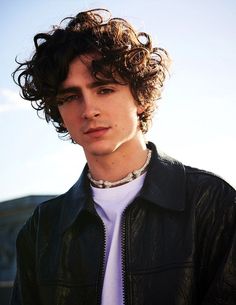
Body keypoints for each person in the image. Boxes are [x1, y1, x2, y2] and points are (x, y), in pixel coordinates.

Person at [11, 8, 236, 305]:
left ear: (140, 99)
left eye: (104, 89)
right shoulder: (42, 228)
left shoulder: (210, 201)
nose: (88, 109)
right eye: (69, 97)